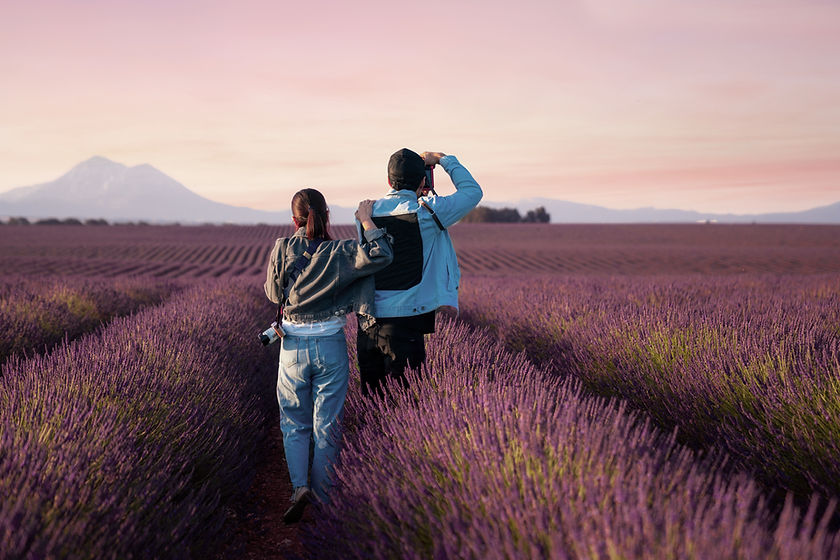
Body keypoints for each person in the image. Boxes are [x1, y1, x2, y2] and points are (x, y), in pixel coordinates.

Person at [264, 188, 393, 523]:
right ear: (326, 217)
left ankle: (299, 488)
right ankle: (323, 498)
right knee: (328, 425)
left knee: (294, 421)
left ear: (294, 219)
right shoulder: (342, 252)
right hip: (330, 346)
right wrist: (366, 221)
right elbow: (382, 254)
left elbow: (272, 293)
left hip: (292, 347)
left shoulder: (282, 248)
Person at [356, 148, 482, 397]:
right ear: (424, 181)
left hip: (368, 325)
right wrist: (445, 160)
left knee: (372, 408)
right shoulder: (428, 213)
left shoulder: (364, 214)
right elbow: (472, 192)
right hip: (406, 324)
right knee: (406, 406)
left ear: (389, 182)